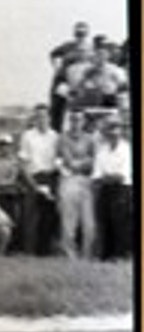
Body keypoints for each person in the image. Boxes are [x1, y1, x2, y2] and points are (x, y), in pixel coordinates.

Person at [18, 105, 60, 255]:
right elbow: (22, 163)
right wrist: (33, 185)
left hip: (50, 177)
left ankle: (45, 251)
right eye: (38, 117)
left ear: (49, 118)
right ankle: (29, 251)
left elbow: (58, 161)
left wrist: (52, 175)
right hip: (32, 177)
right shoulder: (27, 136)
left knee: (48, 216)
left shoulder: (55, 136)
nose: (41, 119)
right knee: (31, 216)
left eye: (44, 116)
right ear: (34, 119)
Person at [55, 109, 97, 259]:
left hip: (86, 181)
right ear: (69, 121)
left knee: (89, 223)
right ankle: (70, 256)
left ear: (83, 121)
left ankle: (87, 256)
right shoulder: (62, 138)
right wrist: (80, 162)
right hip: (68, 180)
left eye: (78, 120)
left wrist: (78, 163)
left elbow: (93, 161)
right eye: (73, 119)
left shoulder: (90, 138)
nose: (75, 123)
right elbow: (64, 159)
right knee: (68, 222)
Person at [92, 116, 132, 260]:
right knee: (105, 220)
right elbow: (96, 176)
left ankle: (121, 254)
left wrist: (106, 177)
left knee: (120, 222)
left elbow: (122, 175)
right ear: (106, 133)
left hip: (122, 190)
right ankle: (106, 255)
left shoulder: (126, 149)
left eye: (116, 131)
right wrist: (107, 177)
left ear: (120, 133)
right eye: (110, 131)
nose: (113, 134)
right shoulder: (102, 151)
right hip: (105, 190)